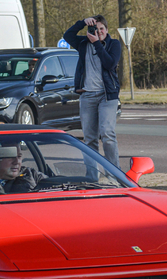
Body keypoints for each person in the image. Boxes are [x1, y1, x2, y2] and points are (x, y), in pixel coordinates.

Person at [64, 15, 121, 169]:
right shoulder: (83, 44)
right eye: (96, 29)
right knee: (89, 139)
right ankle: (92, 177)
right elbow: (67, 36)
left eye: (102, 29)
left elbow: (110, 64)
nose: (99, 32)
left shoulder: (114, 44)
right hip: (87, 95)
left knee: (107, 134)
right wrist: (82, 22)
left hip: (107, 95)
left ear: (107, 30)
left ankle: (115, 174)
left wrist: (97, 43)